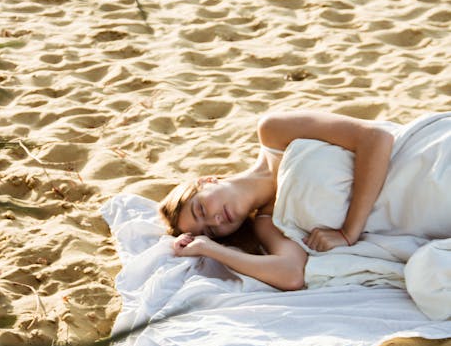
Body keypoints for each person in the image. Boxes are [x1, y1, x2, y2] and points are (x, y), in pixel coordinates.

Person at [159, 110, 397, 291]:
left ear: (206, 181)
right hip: (413, 216)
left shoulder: (273, 133)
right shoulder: (268, 222)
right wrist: (208, 248)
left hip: (415, 161)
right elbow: (292, 274)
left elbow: (376, 137)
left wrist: (348, 232)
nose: (216, 220)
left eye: (201, 209)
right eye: (211, 230)